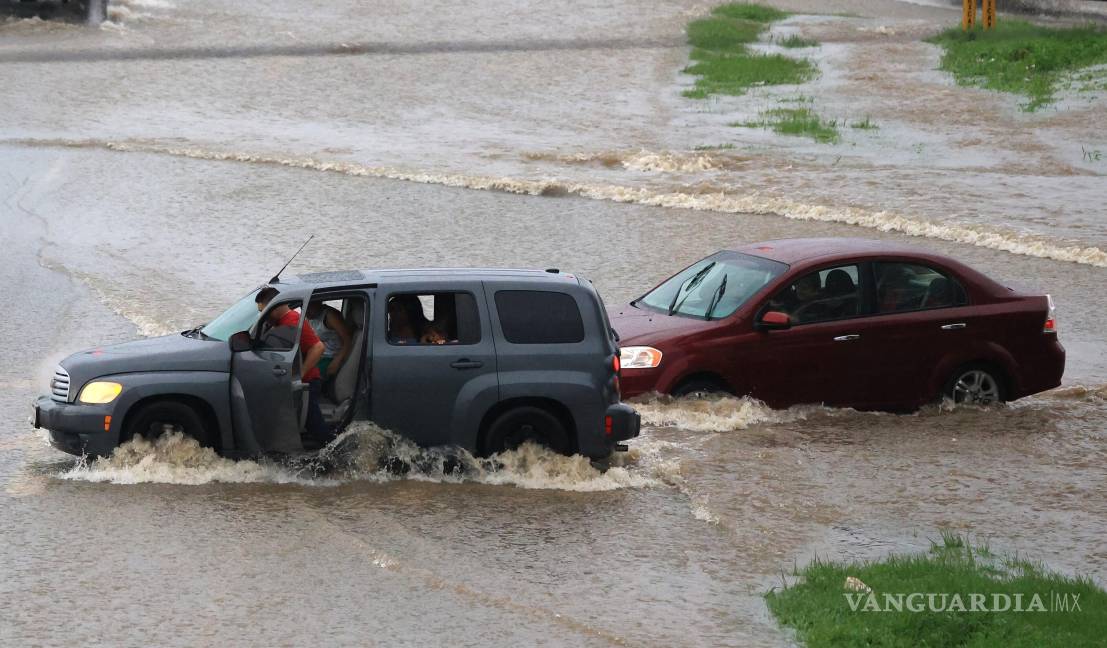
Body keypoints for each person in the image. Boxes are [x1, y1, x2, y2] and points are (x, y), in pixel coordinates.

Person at [255, 286, 333, 445]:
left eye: (264, 311)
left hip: (307, 383)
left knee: (316, 428)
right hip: (294, 381)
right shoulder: (279, 322)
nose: (262, 316)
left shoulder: (293, 321)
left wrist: (300, 374)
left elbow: (318, 347)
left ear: (275, 306)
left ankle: (335, 452)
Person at [305, 300, 353, 387]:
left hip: (330, 357)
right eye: (303, 307)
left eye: (309, 307)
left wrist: (337, 360)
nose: (305, 311)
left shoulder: (330, 316)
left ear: (318, 302)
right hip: (319, 355)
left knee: (306, 377)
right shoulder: (309, 316)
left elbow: (348, 339)